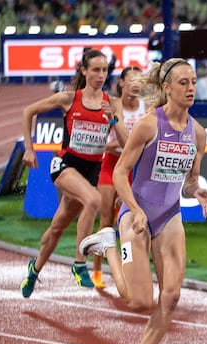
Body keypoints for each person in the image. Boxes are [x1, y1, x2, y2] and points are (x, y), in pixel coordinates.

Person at [79, 58, 207, 344]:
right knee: (138, 301)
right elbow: (122, 173)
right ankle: (109, 242)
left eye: (194, 81)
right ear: (167, 88)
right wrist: (135, 211)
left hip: (169, 216)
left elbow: (188, 182)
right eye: (183, 82)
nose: (191, 88)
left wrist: (200, 191)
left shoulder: (198, 133)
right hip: (134, 216)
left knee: (171, 296)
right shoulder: (149, 125)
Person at [20, 48, 127, 298]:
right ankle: (80, 264)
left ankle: (34, 270)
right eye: (96, 70)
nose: (101, 75)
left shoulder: (112, 103)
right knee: (93, 200)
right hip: (65, 166)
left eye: (105, 70)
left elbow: (126, 141)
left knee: (57, 228)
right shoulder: (69, 98)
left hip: (90, 172)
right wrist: (29, 148)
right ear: (84, 71)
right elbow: (28, 112)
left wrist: (114, 121)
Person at [92, 66, 148, 288]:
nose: (135, 84)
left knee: (131, 223)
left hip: (135, 168)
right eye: (131, 80)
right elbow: (107, 141)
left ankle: (129, 272)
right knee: (106, 220)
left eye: (139, 80)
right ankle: (97, 271)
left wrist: (124, 142)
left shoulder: (146, 107)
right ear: (122, 83)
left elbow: (131, 143)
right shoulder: (114, 104)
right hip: (111, 165)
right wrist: (119, 140)